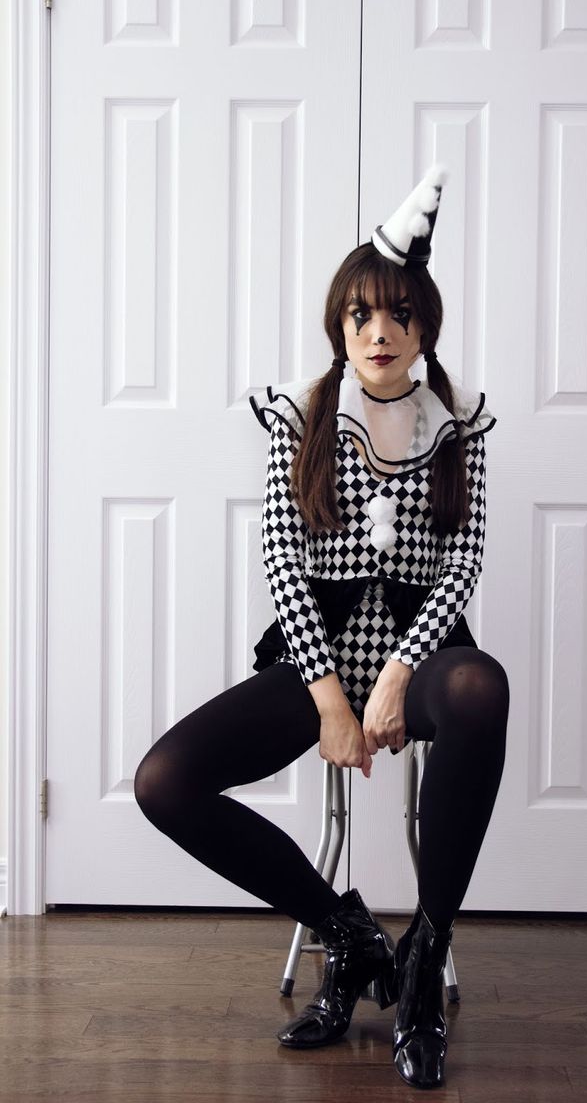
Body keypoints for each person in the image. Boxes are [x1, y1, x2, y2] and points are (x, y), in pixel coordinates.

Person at [134, 164, 510, 1090]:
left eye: (399, 316)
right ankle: (349, 937)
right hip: (317, 664)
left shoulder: (457, 423)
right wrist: (332, 701)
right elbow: (282, 565)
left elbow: (462, 560)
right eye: (361, 317)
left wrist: (395, 675)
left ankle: (422, 962)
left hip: (418, 660)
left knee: (479, 684)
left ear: (424, 328)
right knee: (164, 781)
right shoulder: (301, 417)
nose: (379, 333)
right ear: (339, 326)